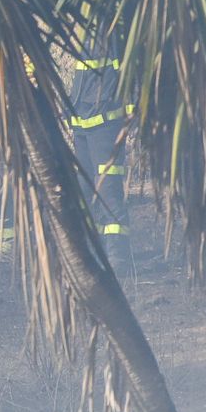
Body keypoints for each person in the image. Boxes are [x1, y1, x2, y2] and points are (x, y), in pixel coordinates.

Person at [68, 27, 133, 268]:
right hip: (83, 121)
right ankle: (93, 250)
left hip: (105, 123)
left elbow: (128, 71)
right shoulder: (85, 29)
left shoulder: (113, 29)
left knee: (108, 189)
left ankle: (118, 256)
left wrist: (130, 108)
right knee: (84, 188)